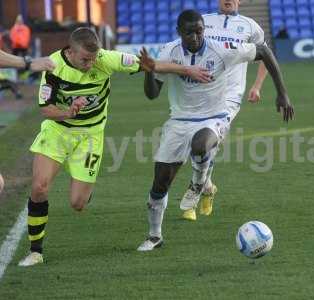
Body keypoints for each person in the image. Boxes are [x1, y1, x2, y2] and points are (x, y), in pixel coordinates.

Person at [17, 27, 212, 267]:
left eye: (93, 58)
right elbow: (45, 108)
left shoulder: (104, 59)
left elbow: (149, 65)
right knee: (39, 187)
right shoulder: (53, 67)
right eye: (85, 59)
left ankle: (85, 187)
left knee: (78, 203)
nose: (91, 64)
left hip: (90, 135)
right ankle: (36, 251)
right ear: (70, 51)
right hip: (58, 131)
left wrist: (187, 70)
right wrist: (68, 112)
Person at [137, 10, 294, 251]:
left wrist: (282, 93)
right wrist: (148, 72)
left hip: (214, 116)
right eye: (190, 32)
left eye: (200, 31)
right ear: (179, 32)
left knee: (200, 145)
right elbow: (151, 94)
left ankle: (199, 182)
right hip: (178, 120)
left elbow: (263, 51)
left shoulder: (222, 49)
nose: (196, 37)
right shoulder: (169, 52)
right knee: (160, 183)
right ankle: (154, 236)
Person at [180, 0, 270, 221]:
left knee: (206, 142)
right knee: (196, 145)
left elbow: (266, 56)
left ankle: (194, 191)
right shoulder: (204, 22)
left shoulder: (250, 26)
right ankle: (208, 187)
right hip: (201, 95)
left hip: (229, 98)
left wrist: (256, 86)